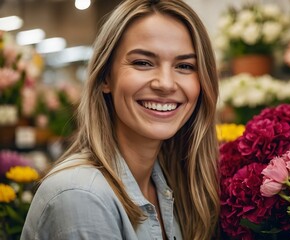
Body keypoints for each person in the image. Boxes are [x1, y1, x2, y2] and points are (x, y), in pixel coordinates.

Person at [21, 0, 220, 239]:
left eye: (185, 66)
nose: (166, 83)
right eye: (143, 63)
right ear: (106, 78)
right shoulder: (81, 196)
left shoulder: (169, 185)